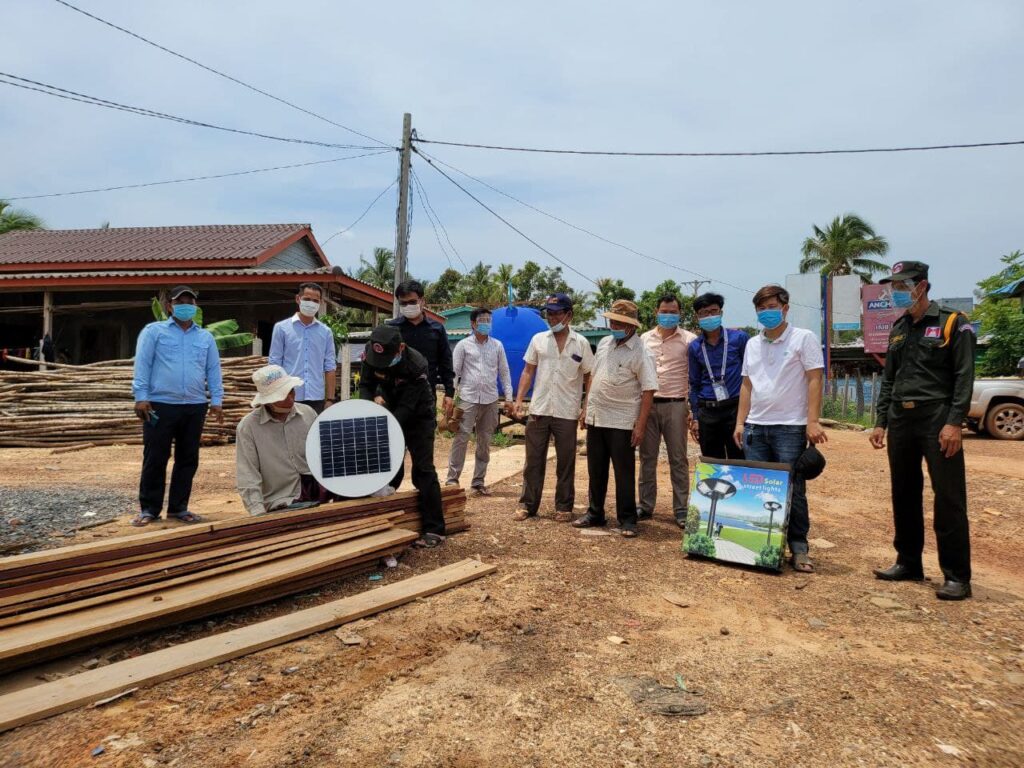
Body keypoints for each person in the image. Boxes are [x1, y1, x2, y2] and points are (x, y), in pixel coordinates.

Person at [869, 261, 975, 600]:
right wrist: (880, 421)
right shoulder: (899, 327)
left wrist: (954, 422)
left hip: (937, 417)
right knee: (903, 492)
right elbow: (889, 378)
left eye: (903, 286)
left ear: (923, 286)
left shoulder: (952, 322)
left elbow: (964, 376)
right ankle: (908, 562)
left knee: (948, 497)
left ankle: (956, 576)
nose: (896, 292)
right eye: (893, 287)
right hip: (902, 418)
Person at [732, 284, 826, 573]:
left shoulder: (803, 338)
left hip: (790, 427)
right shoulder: (752, 344)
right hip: (756, 427)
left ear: (785, 308)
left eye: (772, 307)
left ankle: (798, 548)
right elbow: (747, 384)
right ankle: (762, 545)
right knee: (758, 489)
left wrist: (812, 420)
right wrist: (740, 422)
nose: (766, 312)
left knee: (793, 489)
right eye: (761, 308)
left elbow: (815, 378)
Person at [132, 286, 224, 526]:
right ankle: (149, 509)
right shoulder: (154, 332)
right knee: (155, 456)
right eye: (180, 301)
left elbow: (213, 370)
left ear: (195, 307)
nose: (186, 306)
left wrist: (216, 401)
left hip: (195, 406)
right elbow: (142, 364)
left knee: (188, 458)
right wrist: (140, 396)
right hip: (159, 405)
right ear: (170, 306)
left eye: (190, 302)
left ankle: (178, 507)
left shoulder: (205, 338)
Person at [572, 300, 657, 538]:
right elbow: (593, 376)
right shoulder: (605, 343)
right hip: (597, 416)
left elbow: (649, 389)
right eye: (612, 321)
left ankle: (627, 519)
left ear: (632, 326)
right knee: (596, 469)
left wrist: (640, 425)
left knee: (623, 472)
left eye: (620, 322)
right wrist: (586, 408)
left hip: (622, 420)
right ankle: (595, 513)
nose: (614, 326)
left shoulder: (642, 351)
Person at [359, 325, 446, 547]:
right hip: (391, 407)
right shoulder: (370, 354)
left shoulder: (416, 365)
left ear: (401, 348)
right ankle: (383, 524)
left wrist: (385, 427)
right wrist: (368, 411)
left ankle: (434, 529)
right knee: (388, 467)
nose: (381, 364)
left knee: (423, 469)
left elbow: (407, 407)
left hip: (418, 415)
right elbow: (366, 386)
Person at [512, 293, 595, 522]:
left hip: (566, 411)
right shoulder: (538, 339)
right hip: (539, 409)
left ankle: (564, 507)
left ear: (569, 315)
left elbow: (590, 375)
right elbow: (528, 371)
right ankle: (528, 505)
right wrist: (519, 400)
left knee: (566, 461)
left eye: (557, 313)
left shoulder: (581, 343)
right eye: (549, 313)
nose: (552, 317)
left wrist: (586, 406)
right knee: (533, 460)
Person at [638, 294, 698, 526]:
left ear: (680, 314)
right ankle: (645, 505)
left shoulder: (690, 340)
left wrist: (691, 409)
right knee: (647, 458)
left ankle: (681, 510)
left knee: (678, 459)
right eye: (664, 311)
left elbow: (695, 375)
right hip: (648, 405)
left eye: (673, 312)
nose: (668, 315)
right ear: (656, 312)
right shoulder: (644, 339)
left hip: (676, 405)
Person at [446, 308, 513, 495]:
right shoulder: (463, 345)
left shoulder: (497, 346)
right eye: (482, 320)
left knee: (485, 440)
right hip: (467, 398)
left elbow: (504, 372)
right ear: (473, 323)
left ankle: (478, 482)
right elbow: (455, 372)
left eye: (488, 320)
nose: (486, 323)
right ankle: (452, 480)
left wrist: (509, 397)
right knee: (461, 438)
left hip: (490, 399)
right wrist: (450, 396)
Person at [236, 365, 319, 516]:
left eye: (291, 391)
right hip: (281, 502)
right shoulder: (248, 427)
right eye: (283, 395)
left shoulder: (308, 413)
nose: (290, 398)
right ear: (267, 401)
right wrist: (258, 514)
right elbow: (248, 475)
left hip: (317, 494)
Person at [688, 292, 749, 461]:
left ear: (721, 313)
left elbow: (751, 376)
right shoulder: (695, 347)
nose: (709, 316)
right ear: (697, 317)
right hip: (707, 412)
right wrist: (696, 417)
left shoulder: (739, 338)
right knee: (713, 463)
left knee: (739, 459)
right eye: (704, 313)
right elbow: (694, 384)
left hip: (735, 409)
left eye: (713, 311)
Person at [268, 283, 337, 413]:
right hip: (288, 397)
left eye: (315, 301)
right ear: (298, 299)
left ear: (320, 303)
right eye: (307, 299)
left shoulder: (326, 332)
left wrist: (330, 399)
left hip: (316, 399)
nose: (311, 303)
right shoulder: (281, 328)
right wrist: (275, 395)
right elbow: (274, 364)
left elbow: (330, 367)